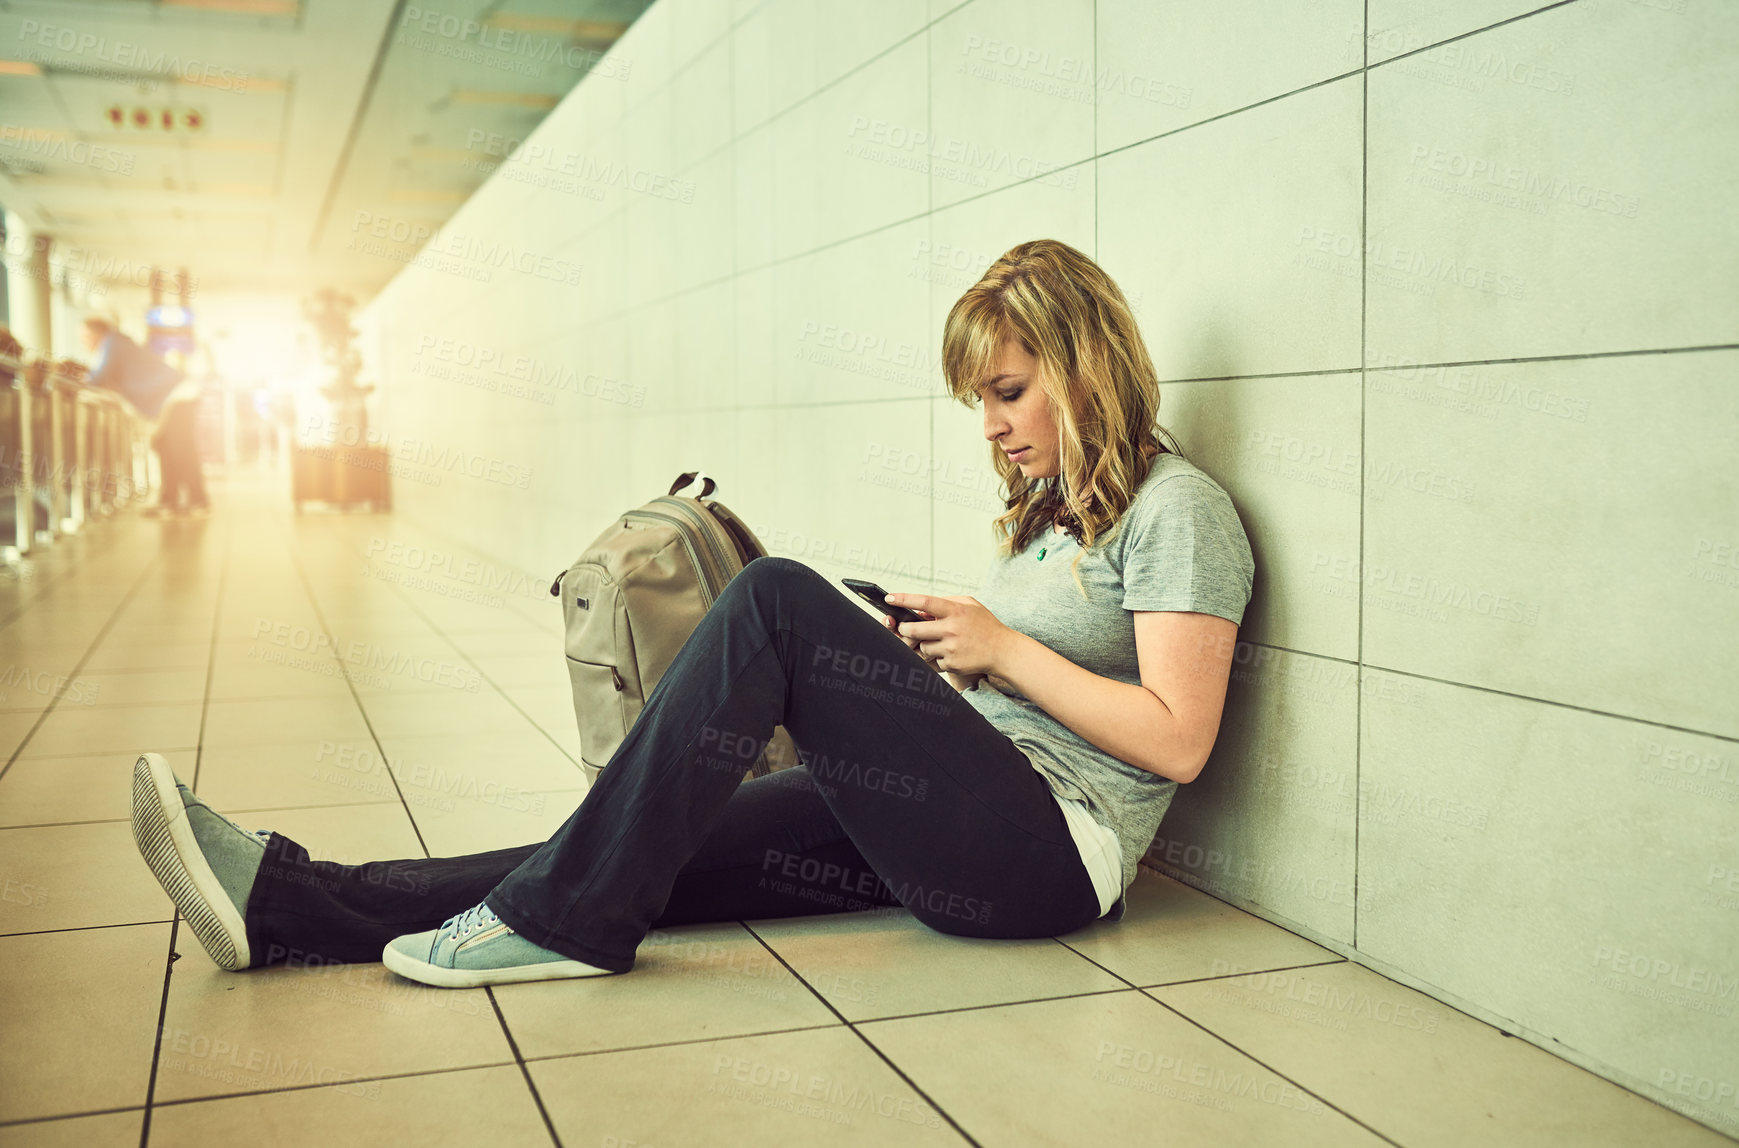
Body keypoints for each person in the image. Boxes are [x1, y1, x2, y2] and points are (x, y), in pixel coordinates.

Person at [129, 239, 1256, 989]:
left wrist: (999, 647)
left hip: (1050, 858)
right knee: (623, 847)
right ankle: (287, 903)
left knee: (772, 595)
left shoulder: (1178, 509)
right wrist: (946, 653)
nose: (991, 427)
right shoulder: (1056, 512)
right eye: (981, 402)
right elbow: (1034, 678)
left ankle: (560, 925)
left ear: (1084, 363)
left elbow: (1176, 735)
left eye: (1008, 393)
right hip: (958, 808)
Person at [81, 316, 207, 516]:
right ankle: (169, 502)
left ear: (98, 333)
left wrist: (78, 378)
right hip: (172, 397)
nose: (83, 341)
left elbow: (98, 378)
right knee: (164, 447)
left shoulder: (112, 342)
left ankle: (199, 502)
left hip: (178, 395)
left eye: (86, 335)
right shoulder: (117, 343)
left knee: (180, 449)